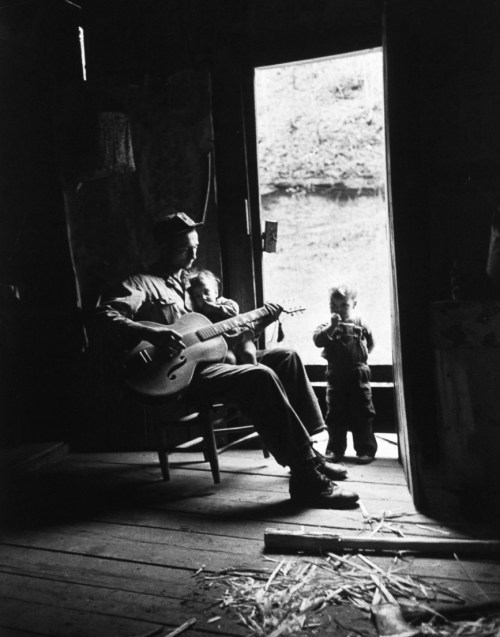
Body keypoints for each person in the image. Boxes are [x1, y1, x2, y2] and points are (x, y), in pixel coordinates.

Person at [96, 212, 359, 508]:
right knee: (259, 377)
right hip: (181, 377)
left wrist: (252, 321)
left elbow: (212, 337)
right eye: (185, 249)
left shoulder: (193, 284)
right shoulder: (141, 283)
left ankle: (311, 454)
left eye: (196, 247)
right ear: (164, 247)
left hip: (215, 361)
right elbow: (104, 316)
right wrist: (150, 333)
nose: (194, 256)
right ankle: (306, 479)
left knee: (286, 357)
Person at [313, 283, 377, 464]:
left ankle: (365, 449)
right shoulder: (327, 325)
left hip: (358, 375)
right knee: (335, 414)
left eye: (344, 306)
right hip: (336, 376)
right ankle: (334, 448)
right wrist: (332, 328)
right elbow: (318, 340)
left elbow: (370, 343)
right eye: (333, 306)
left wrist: (360, 359)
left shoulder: (360, 324)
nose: (338, 310)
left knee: (363, 412)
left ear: (354, 305)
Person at [187, 269, 258, 365]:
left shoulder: (223, 302)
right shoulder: (200, 315)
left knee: (248, 354)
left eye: (206, 292)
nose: (203, 297)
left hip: (241, 340)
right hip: (223, 345)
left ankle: (254, 374)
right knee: (229, 360)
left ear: (215, 292)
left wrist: (215, 308)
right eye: (197, 296)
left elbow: (234, 312)